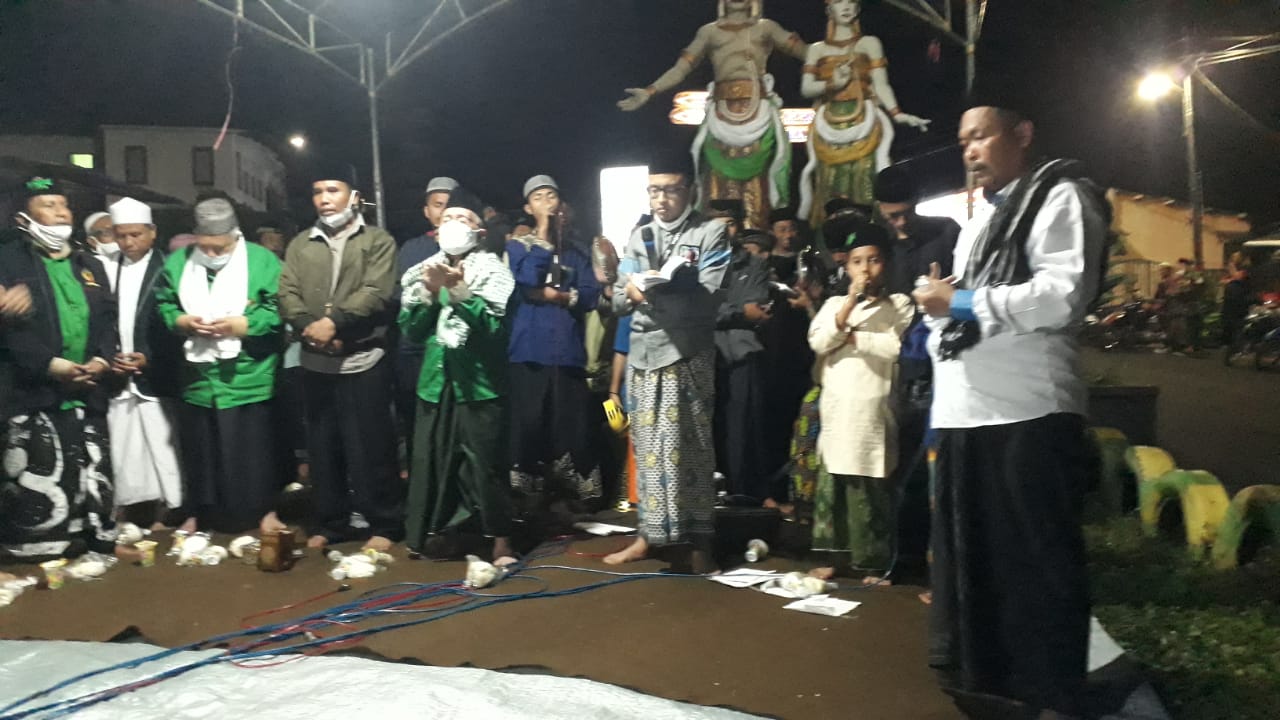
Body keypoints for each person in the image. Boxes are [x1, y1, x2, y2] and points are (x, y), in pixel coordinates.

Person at [912, 98, 1109, 716]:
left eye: (981, 136)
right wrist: (942, 306)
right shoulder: (981, 220)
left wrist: (959, 302)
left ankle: (1051, 694)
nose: (970, 151)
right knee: (979, 565)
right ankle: (991, 685)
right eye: (962, 141)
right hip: (967, 413)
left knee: (1037, 565)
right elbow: (966, 304)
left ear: (1022, 133)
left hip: (1027, 412)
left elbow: (1061, 296)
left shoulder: (1060, 197)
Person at [605, 158, 730, 574]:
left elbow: (712, 295)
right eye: (654, 190)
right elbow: (618, 297)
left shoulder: (710, 232)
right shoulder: (639, 235)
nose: (661, 199)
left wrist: (656, 293)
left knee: (690, 447)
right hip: (643, 356)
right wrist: (633, 292)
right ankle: (648, 535)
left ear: (690, 191)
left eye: (671, 190)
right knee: (647, 448)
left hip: (686, 353)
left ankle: (698, 540)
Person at [277, 166, 401, 551]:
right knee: (323, 447)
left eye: (333, 189)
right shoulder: (301, 243)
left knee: (371, 447)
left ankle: (384, 523)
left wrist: (334, 324)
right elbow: (287, 293)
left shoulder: (378, 241)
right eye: (318, 191)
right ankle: (331, 522)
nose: (324, 199)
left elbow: (376, 292)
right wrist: (309, 327)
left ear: (354, 196)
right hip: (316, 360)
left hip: (362, 360)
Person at [0, 177, 123, 562]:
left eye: (63, 205)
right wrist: (51, 365)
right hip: (35, 390)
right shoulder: (8, 262)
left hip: (88, 386)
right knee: (41, 469)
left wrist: (102, 359)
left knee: (90, 466)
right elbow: (12, 335)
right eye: (48, 205)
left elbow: (108, 320)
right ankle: (40, 548)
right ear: (24, 218)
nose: (60, 213)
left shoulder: (88, 263)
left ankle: (94, 537)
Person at [399, 188, 517, 565]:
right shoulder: (422, 271)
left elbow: (494, 330)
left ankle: (500, 540)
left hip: (479, 384)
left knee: (485, 464)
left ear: (479, 232)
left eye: (463, 218)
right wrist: (430, 293)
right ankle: (437, 533)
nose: (453, 223)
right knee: (432, 460)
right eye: (448, 217)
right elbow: (411, 330)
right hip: (436, 382)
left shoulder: (494, 272)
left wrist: (459, 291)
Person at [617, 0, 807, 229]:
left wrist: (836, 56)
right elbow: (681, 69)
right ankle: (717, 242)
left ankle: (755, 243)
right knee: (717, 196)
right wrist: (650, 91)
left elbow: (808, 54)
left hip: (759, 119)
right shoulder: (709, 33)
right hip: (720, 122)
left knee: (759, 199)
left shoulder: (766, 28)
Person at [155, 198, 284, 534]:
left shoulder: (262, 260)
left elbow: (278, 309)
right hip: (198, 378)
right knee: (201, 450)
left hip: (248, 373)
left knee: (253, 451)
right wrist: (182, 321)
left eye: (220, 248)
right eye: (205, 247)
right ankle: (201, 513)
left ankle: (263, 511)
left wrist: (244, 324)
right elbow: (165, 303)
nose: (211, 254)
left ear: (235, 235)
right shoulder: (179, 262)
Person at [805, 214, 912, 583]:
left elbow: (894, 347)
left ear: (887, 263)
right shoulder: (834, 303)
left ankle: (874, 562)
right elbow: (818, 341)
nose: (865, 269)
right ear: (846, 267)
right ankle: (833, 559)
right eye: (857, 261)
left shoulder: (899, 305)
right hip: (837, 408)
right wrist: (849, 306)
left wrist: (849, 336)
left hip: (874, 407)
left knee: (870, 486)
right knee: (833, 483)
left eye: (873, 260)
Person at [506, 175, 604, 527]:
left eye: (552, 196)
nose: (547, 202)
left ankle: (576, 499)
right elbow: (528, 281)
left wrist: (558, 296)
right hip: (529, 351)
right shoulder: (518, 247)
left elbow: (590, 295)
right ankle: (528, 501)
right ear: (528, 207)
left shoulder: (577, 251)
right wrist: (544, 235)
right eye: (539, 198)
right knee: (529, 425)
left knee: (572, 427)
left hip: (568, 353)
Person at [874, 164, 959, 561]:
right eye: (891, 216)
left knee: (935, 464)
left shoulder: (946, 234)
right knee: (898, 462)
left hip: (940, 365)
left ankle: (937, 557)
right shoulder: (879, 245)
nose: (900, 223)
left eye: (906, 213)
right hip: (891, 368)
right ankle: (900, 557)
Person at [797, 0, 930, 225]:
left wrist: (897, 113)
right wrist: (834, 84)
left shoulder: (870, 43)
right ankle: (833, 237)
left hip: (865, 122)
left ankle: (870, 233)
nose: (846, 7)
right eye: (839, 2)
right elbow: (806, 88)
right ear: (829, 10)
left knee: (866, 180)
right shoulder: (816, 49)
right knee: (830, 184)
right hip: (829, 126)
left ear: (858, 9)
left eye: (851, 2)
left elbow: (881, 84)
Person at [104, 197, 184, 530]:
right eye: (121, 235)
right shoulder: (105, 268)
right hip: (118, 374)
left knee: (163, 444)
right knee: (123, 446)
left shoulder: (169, 269)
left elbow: (173, 324)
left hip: (156, 374)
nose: (128, 242)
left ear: (152, 232)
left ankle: (173, 508)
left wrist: (149, 357)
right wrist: (109, 356)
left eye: (135, 235)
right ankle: (129, 508)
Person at [395, 176, 458, 477]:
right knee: (418, 425)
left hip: (456, 352)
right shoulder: (412, 249)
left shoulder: (475, 251)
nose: (443, 211)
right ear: (427, 211)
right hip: (416, 352)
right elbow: (402, 299)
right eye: (437, 204)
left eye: (449, 204)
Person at [714, 227, 772, 502]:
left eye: (728, 223)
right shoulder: (698, 263)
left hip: (742, 354)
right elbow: (697, 308)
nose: (722, 230)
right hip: (705, 355)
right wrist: (738, 311)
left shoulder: (756, 265)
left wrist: (719, 312)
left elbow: (757, 307)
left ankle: (744, 496)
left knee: (743, 429)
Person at [1221, 252, 1253, 364]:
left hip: (1232, 309)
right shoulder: (1239, 283)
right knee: (1237, 330)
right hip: (1238, 309)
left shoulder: (1234, 283)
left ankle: (1232, 351)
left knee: (1234, 330)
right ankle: (1235, 351)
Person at [82, 211, 122, 290]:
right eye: (108, 233)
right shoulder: (85, 266)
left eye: (119, 231)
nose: (117, 237)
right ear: (92, 241)